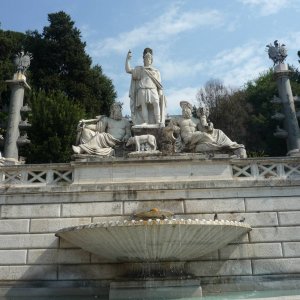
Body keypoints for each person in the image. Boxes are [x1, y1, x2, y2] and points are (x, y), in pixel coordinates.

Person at [171, 101, 247, 158]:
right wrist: (174, 128)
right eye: (183, 110)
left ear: (190, 110)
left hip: (197, 138)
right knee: (203, 135)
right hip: (188, 140)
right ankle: (218, 144)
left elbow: (204, 129)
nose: (184, 111)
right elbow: (168, 128)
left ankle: (231, 145)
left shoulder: (196, 120)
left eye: (186, 109)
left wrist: (208, 125)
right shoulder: (177, 119)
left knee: (218, 132)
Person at [125, 48, 166, 125]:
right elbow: (128, 70)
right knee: (144, 105)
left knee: (156, 103)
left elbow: (159, 85)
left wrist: (160, 93)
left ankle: (158, 121)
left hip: (153, 89)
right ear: (143, 59)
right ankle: (146, 122)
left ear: (152, 59)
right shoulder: (140, 69)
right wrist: (128, 59)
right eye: (146, 58)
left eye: (149, 58)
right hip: (142, 89)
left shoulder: (156, 71)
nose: (148, 59)